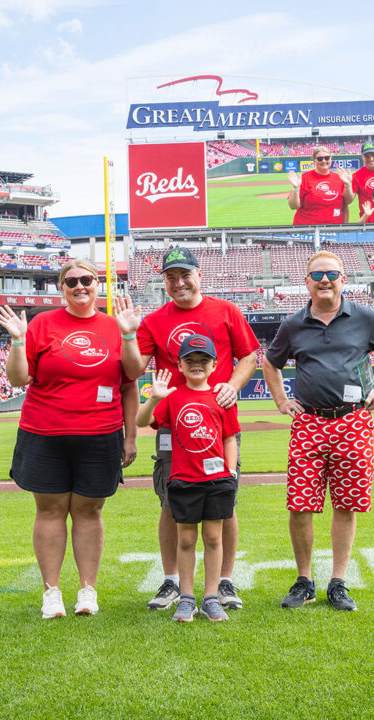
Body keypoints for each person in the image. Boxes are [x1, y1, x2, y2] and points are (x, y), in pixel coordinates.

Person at [262, 250, 374, 612]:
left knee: (347, 504)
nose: (324, 279)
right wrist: (281, 400)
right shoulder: (294, 324)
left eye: (331, 273)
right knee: (300, 505)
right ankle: (304, 580)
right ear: (306, 282)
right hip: (309, 422)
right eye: (317, 275)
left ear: (344, 279)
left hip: (353, 420)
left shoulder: (363, 317)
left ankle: (338, 582)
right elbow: (269, 362)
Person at [114, 246, 259, 612]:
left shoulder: (226, 310)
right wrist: (129, 336)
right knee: (170, 500)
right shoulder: (155, 320)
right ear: (164, 281)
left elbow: (250, 356)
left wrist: (233, 385)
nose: (178, 283)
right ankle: (173, 580)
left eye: (184, 275)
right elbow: (133, 370)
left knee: (226, 500)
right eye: (170, 277)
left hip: (217, 418)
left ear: (199, 275)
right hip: (171, 423)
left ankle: (223, 580)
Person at [0, 259, 138, 619]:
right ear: (61, 288)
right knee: (49, 510)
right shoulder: (43, 324)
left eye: (86, 279)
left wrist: (131, 435)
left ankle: (88, 590)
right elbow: (17, 379)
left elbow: (130, 381)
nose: (79, 286)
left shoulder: (114, 325)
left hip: (100, 434)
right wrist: (17, 340)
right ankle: (52, 592)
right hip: (44, 432)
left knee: (89, 511)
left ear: (97, 284)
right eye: (71, 281)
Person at [136, 335, 240, 622]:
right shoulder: (172, 396)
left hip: (217, 479)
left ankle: (210, 597)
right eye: (190, 361)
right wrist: (153, 397)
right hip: (183, 479)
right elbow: (142, 421)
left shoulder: (222, 396)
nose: (197, 365)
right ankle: (186, 598)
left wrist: (230, 473)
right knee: (185, 539)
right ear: (179, 365)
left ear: (214, 365)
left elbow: (230, 438)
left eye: (203, 360)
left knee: (214, 537)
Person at [287, 146, 354, 225]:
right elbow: (293, 206)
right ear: (314, 161)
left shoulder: (340, 178)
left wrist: (348, 184)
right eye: (320, 159)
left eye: (327, 158)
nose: (324, 161)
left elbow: (347, 202)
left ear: (330, 159)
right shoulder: (304, 178)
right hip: (307, 230)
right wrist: (296, 188)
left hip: (333, 229)